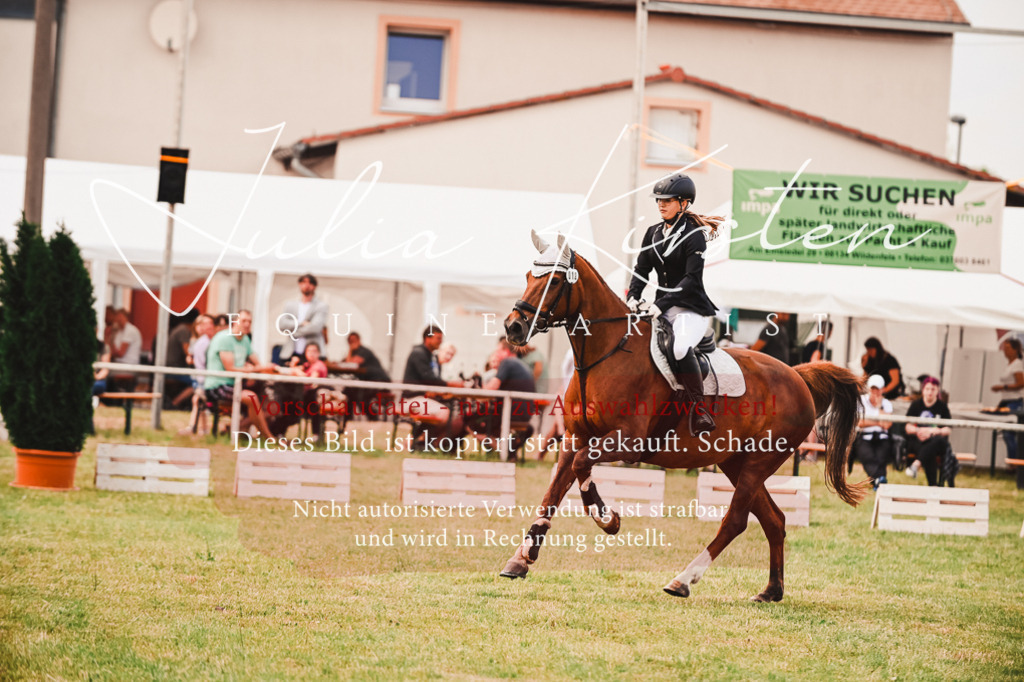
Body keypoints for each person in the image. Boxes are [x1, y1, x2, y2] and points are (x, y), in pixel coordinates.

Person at [626, 172, 719, 435]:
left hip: (690, 310)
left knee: (678, 349)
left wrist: (662, 303)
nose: (661, 205)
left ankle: (699, 409)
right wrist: (633, 296)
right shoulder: (652, 233)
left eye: (667, 200)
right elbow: (641, 269)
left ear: (684, 203)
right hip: (662, 308)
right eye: (659, 200)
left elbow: (691, 279)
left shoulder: (694, 235)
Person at [204, 310, 275, 438]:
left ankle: (238, 428)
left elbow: (258, 365)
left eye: (249, 321)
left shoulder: (245, 339)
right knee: (251, 397)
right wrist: (253, 369)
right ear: (235, 321)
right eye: (244, 321)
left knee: (268, 401)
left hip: (235, 384)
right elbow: (230, 368)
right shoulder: (224, 338)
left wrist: (271, 369)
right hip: (217, 386)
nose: (247, 324)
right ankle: (268, 437)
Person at [400, 325, 469, 446]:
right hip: (412, 399)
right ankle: (420, 440)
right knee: (445, 415)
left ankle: (422, 441)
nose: (440, 342)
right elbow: (430, 379)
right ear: (427, 338)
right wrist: (453, 385)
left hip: (423, 398)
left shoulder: (430, 355)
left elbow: (432, 380)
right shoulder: (419, 353)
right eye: (438, 338)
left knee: (455, 418)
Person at [905, 376, 952, 486]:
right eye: (927, 389)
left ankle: (916, 464)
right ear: (923, 390)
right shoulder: (916, 405)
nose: (930, 392)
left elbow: (948, 429)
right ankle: (933, 486)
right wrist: (918, 431)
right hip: (919, 440)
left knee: (936, 441)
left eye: (933, 389)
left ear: (937, 391)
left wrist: (933, 431)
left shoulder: (942, 406)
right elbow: (908, 427)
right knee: (929, 449)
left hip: (936, 440)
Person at [850, 375, 893, 488]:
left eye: (877, 389)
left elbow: (887, 425)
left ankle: (878, 482)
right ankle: (880, 480)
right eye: (872, 389)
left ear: (882, 389)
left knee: (881, 456)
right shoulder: (861, 400)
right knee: (867, 456)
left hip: (882, 437)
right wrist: (878, 422)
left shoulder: (886, 403)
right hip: (863, 436)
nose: (874, 392)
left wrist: (879, 407)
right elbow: (859, 422)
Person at [278, 273, 330, 363]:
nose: (306, 285)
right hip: (292, 352)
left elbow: (315, 327)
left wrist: (293, 333)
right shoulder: (290, 305)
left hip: (312, 354)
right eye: (303, 282)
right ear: (299, 284)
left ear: (314, 286)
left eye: (310, 283)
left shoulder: (321, 306)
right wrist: (300, 322)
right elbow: (282, 325)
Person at [180, 314, 215, 436]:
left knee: (197, 401)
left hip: (202, 377)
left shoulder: (206, 342)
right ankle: (200, 428)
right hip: (201, 377)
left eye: (211, 323)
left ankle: (197, 428)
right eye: (206, 324)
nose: (210, 326)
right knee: (198, 402)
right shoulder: (202, 342)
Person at [344, 332, 391, 418]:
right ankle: (346, 420)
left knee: (360, 397)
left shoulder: (364, 351)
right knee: (348, 391)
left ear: (359, 340)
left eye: (353, 341)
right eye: (350, 341)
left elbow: (351, 364)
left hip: (379, 381)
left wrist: (350, 350)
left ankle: (373, 418)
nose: (352, 343)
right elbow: (347, 364)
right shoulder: (355, 352)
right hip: (368, 381)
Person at [991, 337, 1024, 459]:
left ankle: (1015, 463)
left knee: (1008, 432)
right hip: (1006, 401)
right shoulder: (1009, 364)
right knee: (1006, 432)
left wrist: (1002, 387)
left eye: (1008, 348)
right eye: (1004, 348)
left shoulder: (1017, 364)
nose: (1005, 351)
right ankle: (1013, 461)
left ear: (1015, 350)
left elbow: (1021, 383)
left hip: (1014, 402)